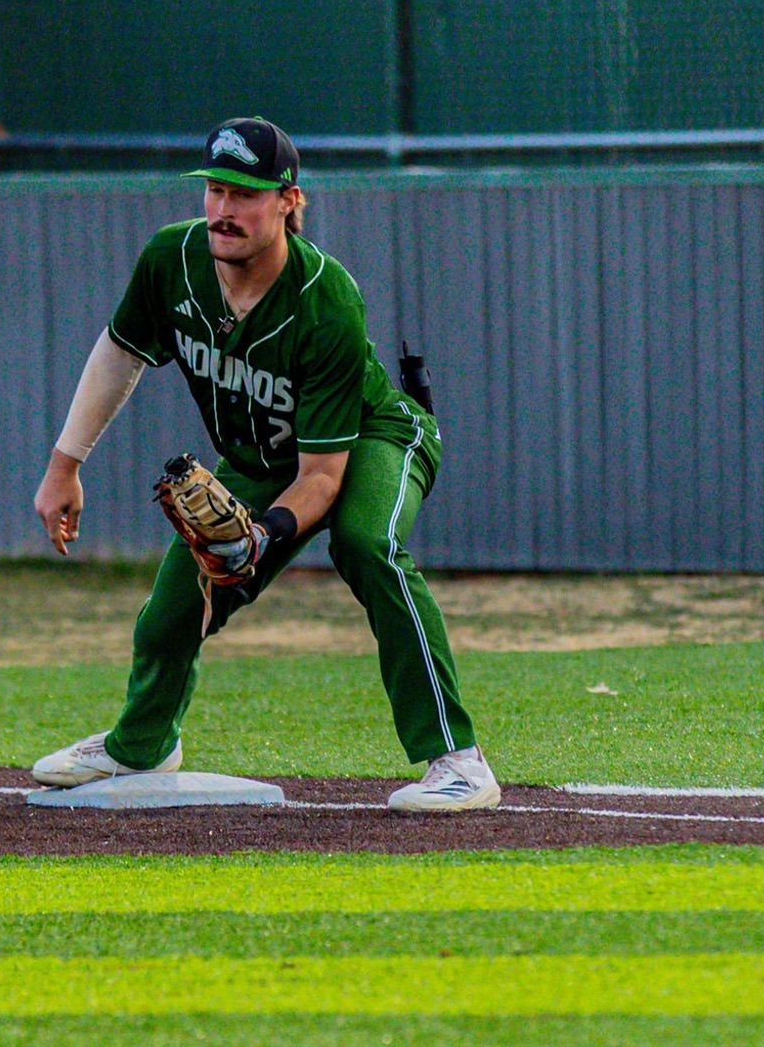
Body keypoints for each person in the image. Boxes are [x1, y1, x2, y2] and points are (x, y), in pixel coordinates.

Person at [28, 117, 498, 811]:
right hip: (262, 456)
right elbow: (121, 349)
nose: (223, 210)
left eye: (244, 194)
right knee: (172, 612)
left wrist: (267, 535)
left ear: (287, 200)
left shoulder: (325, 299)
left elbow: (322, 479)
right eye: (215, 190)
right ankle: (141, 745)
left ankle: (458, 760)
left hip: (371, 438)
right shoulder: (174, 258)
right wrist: (64, 467)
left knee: (368, 545)